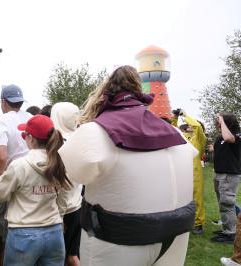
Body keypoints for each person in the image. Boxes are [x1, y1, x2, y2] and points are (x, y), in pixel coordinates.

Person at [58, 65, 196, 266]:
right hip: (176, 237)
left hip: (118, 242)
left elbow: (74, 175)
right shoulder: (177, 134)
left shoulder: (93, 133)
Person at [0, 114, 71, 266]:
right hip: (53, 231)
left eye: (25, 135)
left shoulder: (19, 165)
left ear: (31, 139)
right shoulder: (59, 163)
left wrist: (1, 178)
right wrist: (58, 218)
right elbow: (63, 199)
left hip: (23, 232)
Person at [0, 84, 32, 266]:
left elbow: (1, 157)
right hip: (34, 180)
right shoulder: (31, 117)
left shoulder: (1, 120)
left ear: (3, 102)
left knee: (7, 233)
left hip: (13, 181)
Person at [50, 102, 82, 266]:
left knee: (57, 259)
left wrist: (59, 216)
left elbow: (61, 183)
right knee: (72, 255)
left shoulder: (58, 145)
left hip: (59, 211)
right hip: (76, 206)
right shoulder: (81, 140)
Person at [172, 109, 207, 235]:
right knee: (181, 198)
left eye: (191, 124)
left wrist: (185, 115)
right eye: (188, 125)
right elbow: (172, 130)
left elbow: (197, 126)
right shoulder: (183, 136)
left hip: (195, 173)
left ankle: (199, 224)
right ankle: (182, 221)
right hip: (181, 172)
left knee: (197, 199)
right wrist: (175, 117)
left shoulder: (200, 139)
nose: (189, 126)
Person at [210, 112, 241, 244]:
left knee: (227, 203)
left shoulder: (237, 134)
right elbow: (221, 148)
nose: (217, 122)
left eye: (219, 120)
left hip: (229, 174)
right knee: (223, 203)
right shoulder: (221, 136)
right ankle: (226, 229)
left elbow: (229, 139)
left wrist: (222, 121)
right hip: (220, 173)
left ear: (226, 121)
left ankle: (230, 234)